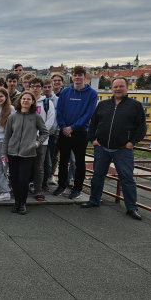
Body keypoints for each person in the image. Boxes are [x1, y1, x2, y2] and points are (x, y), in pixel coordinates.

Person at [82, 77, 146, 220]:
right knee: (97, 176)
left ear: (127, 88)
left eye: (121, 86)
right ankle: (94, 200)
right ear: (112, 88)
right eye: (115, 86)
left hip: (123, 149)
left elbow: (142, 127)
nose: (118, 89)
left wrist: (133, 142)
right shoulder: (103, 104)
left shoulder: (135, 105)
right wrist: (92, 139)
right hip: (102, 147)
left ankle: (131, 208)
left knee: (127, 179)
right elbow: (93, 123)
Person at [53, 66, 98, 199]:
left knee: (79, 162)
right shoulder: (65, 92)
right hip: (64, 131)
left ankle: (77, 188)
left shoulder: (92, 93)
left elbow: (88, 114)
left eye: (80, 75)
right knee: (63, 161)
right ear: (72, 77)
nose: (77, 77)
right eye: (75, 75)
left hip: (80, 132)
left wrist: (73, 128)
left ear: (85, 76)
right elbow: (59, 112)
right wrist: (64, 127)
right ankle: (61, 185)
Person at [2, 91, 48, 214]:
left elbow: (44, 132)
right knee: (14, 179)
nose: (25, 101)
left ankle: (23, 203)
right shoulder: (12, 117)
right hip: (12, 153)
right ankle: (16, 202)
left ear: (32, 101)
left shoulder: (36, 117)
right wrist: (4, 153)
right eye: (23, 99)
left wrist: (37, 143)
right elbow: (6, 136)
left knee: (23, 179)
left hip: (28, 153)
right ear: (20, 100)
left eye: (28, 99)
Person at [28, 78, 55, 200]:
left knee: (39, 166)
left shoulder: (47, 102)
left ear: (42, 88)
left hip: (42, 140)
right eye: (32, 86)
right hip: (26, 139)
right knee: (25, 164)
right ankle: (24, 186)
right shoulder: (25, 100)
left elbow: (50, 121)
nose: (35, 88)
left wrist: (39, 135)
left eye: (37, 86)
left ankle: (38, 190)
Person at [41, 78, 60, 191]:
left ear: (53, 87)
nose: (47, 89)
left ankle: (45, 181)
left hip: (52, 134)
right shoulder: (38, 100)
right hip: (38, 135)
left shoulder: (58, 100)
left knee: (49, 160)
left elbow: (60, 116)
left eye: (49, 87)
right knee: (37, 160)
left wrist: (57, 132)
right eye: (45, 87)